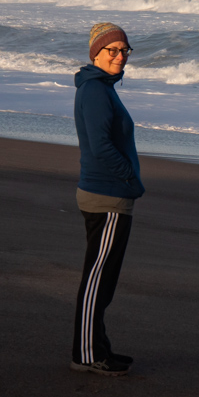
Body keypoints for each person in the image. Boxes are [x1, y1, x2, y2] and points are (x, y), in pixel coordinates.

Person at [70, 22, 145, 377]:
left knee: (103, 277)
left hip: (108, 193)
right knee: (98, 278)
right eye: (111, 50)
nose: (119, 56)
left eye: (124, 50)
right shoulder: (97, 91)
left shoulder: (99, 87)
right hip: (107, 196)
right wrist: (130, 178)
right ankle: (86, 354)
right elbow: (101, 147)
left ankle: (99, 348)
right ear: (95, 53)